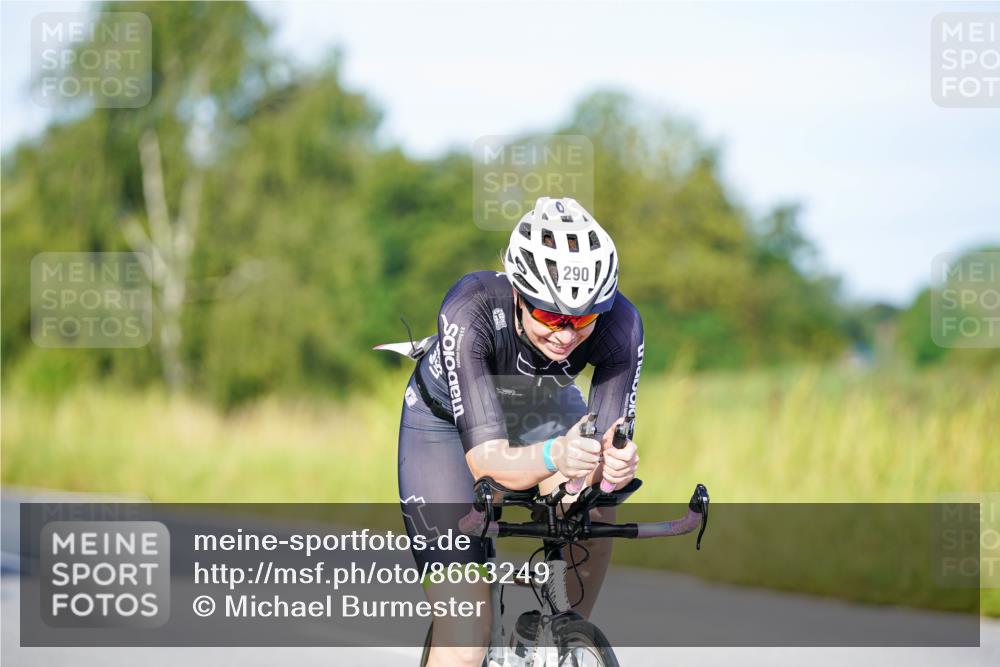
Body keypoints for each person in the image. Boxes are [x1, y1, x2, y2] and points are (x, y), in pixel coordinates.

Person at [395, 196, 643, 667]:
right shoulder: (471, 306)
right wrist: (557, 456)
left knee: (597, 504)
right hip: (444, 429)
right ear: (517, 294)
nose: (566, 335)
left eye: (584, 318)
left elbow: (608, 443)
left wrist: (611, 468)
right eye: (551, 316)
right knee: (465, 642)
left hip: (543, 408)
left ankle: (562, 635)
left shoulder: (623, 325)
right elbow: (487, 462)